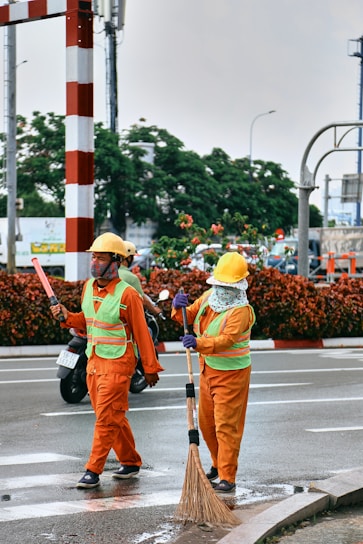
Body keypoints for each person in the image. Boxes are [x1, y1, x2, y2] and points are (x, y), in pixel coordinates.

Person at [50, 232, 164, 489]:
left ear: (117, 261)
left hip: (118, 365)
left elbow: (142, 334)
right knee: (111, 415)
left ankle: (93, 469)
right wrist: (66, 316)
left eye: (100, 258)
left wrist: (150, 367)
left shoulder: (128, 295)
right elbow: (86, 320)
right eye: (93, 257)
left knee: (106, 418)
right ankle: (131, 461)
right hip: (93, 361)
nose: (95, 263)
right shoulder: (89, 288)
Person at [171, 251, 255, 493]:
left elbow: (226, 341)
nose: (223, 290)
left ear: (239, 286)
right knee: (207, 425)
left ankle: (228, 477)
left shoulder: (241, 311)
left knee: (226, 426)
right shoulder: (210, 297)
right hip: (208, 371)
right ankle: (218, 465)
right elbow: (188, 318)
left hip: (232, 376)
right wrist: (179, 308)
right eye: (220, 285)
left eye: (228, 286)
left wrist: (198, 344)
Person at [118, 241, 162, 317]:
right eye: (132, 256)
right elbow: (143, 300)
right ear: (128, 257)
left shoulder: (109, 274)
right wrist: (155, 310)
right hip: (124, 320)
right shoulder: (131, 277)